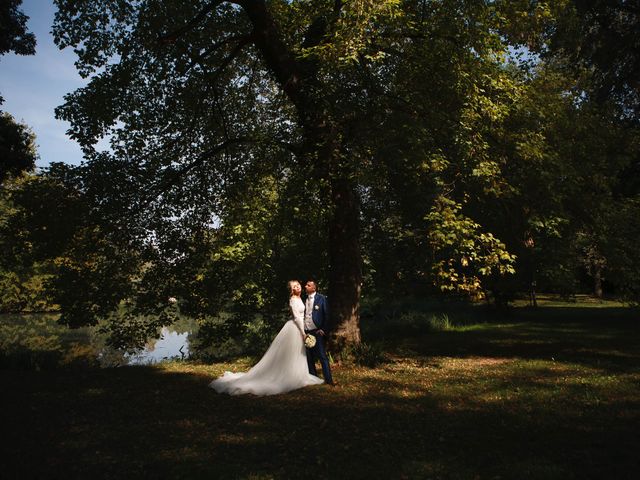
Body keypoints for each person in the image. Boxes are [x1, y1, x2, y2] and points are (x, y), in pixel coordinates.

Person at [209, 280, 324, 396]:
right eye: (295, 286)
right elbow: (297, 318)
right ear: (292, 290)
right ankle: (288, 376)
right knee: (291, 352)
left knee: (297, 353)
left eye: (298, 285)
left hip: (300, 328)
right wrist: (303, 332)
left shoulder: (300, 298)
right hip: (295, 328)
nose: (298, 287)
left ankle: (299, 374)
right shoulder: (293, 300)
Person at [303, 279, 334, 385]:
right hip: (306, 332)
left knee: (322, 356)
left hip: (317, 332)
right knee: (309, 357)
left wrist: (323, 329)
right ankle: (313, 378)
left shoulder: (322, 298)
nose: (305, 286)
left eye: (308, 285)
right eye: (306, 285)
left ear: (314, 288)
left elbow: (327, 315)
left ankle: (329, 380)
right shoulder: (305, 299)